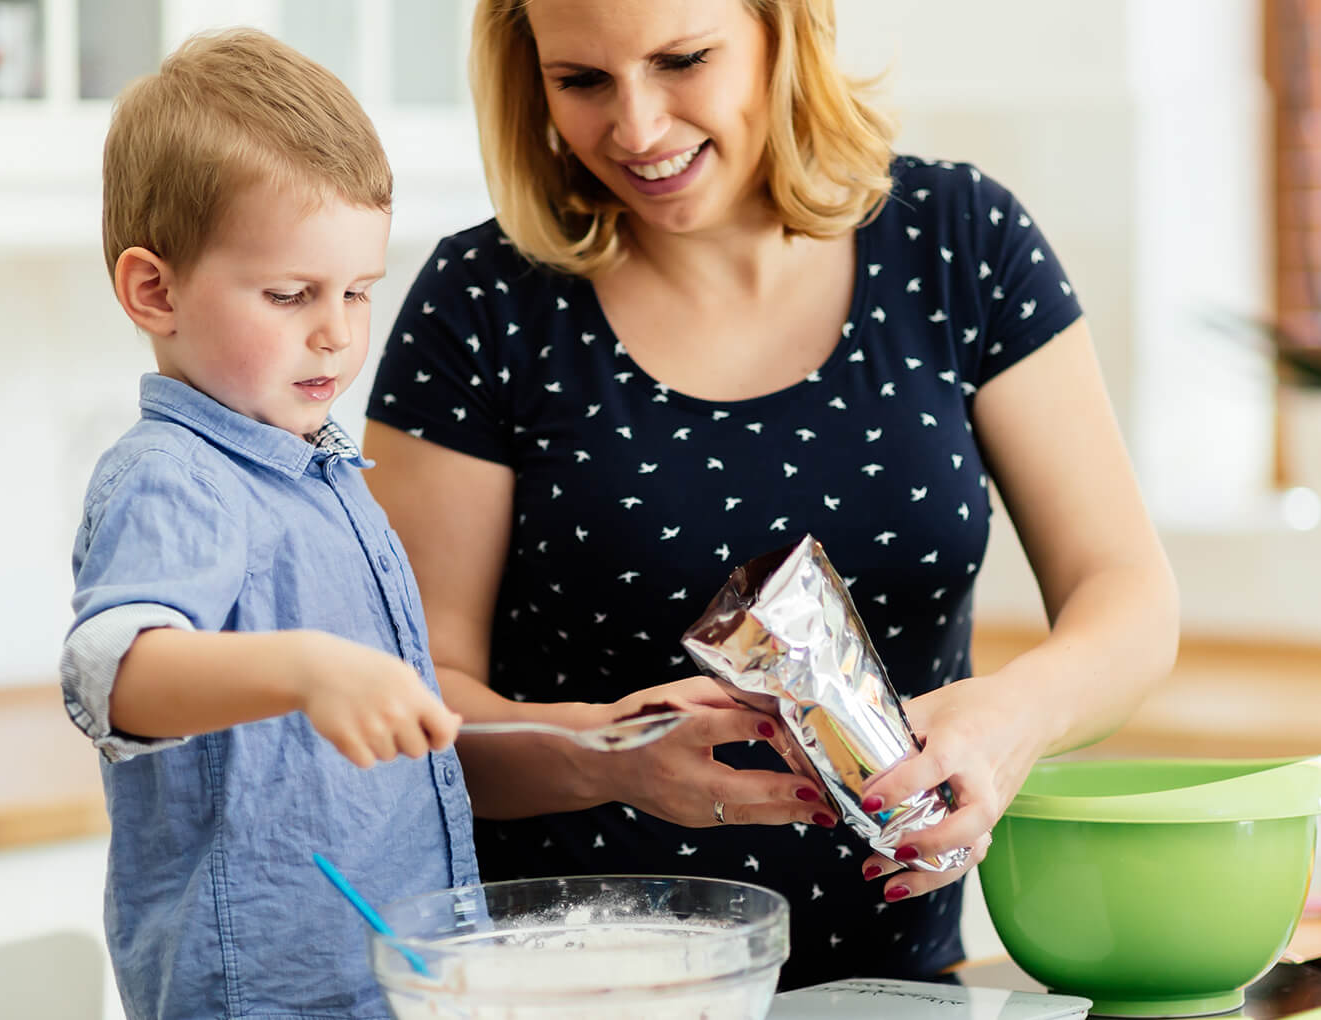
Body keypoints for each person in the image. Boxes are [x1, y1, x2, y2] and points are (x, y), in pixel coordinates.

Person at [363, 0, 1179, 991]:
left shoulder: (958, 242)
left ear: (783, 28)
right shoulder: (482, 302)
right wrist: (606, 758)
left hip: (906, 989)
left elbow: (1128, 598)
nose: (639, 129)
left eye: (683, 60)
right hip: (570, 989)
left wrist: (1015, 717)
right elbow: (412, 712)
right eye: (581, 80)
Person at [58, 29, 478, 1018]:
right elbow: (114, 674)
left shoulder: (316, 469)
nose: (335, 330)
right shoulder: (177, 477)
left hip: (378, 980)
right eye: (290, 295)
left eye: (357, 292)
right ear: (152, 291)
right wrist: (307, 667)